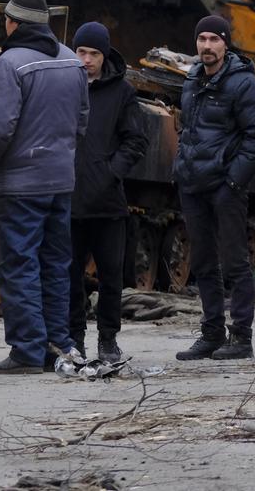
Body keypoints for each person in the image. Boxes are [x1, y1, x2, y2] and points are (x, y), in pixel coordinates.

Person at [0, 0, 89, 373]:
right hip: (61, 180)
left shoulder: (11, 63)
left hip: (22, 183)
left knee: (19, 264)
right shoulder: (73, 60)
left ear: (13, 23)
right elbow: (82, 122)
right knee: (55, 263)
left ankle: (25, 349)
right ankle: (56, 345)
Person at [173, 15, 255, 361]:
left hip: (225, 187)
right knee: (202, 262)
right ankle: (211, 332)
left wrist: (234, 180)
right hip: (193, 183)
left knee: (234, 263)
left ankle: (241, 337)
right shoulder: (191, 79)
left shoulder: (242, 84)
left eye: (214, 39)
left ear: (226, 43)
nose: (207, 46)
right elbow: (189, 130)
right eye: (202, 39)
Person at [68, 22, 148, 363]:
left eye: (94, 54)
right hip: (68, 198)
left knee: (111, 277)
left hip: (107, 201)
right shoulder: (64, 86)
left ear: (105, 55)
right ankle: (74, 338)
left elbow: (136, 139)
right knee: (69, 275)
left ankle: (108, 339)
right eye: (81, 52)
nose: (86, 60)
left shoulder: (121, 92)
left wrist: (112, 170)